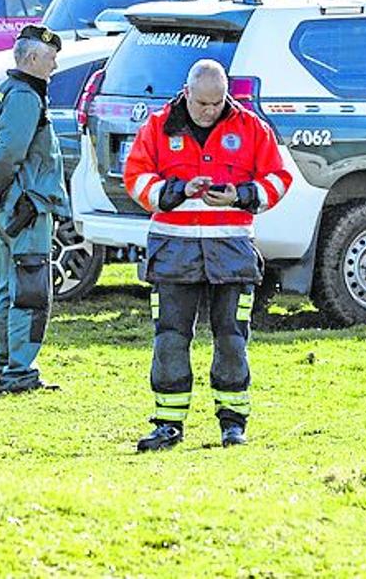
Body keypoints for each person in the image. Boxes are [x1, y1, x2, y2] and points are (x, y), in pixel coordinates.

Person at [122, 59, 291, 451]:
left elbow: (279, 178)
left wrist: (242, 194)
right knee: (170, 339)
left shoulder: (251, 127)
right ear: (187, 93)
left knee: (232, 339)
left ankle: (233, 424)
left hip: (231, 253)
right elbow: (135, 176)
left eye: (216, 104)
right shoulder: (158, 126)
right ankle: (168, 423)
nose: (208, 112)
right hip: (174, 252)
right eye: (201, 104)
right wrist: (175, 190)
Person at [0, 25, 69, 393]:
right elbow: (8, 153)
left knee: (9, 289)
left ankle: (5, 366)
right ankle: (20, 372)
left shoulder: (3, 93)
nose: (55, 66)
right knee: (29, 292)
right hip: (26, 207)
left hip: (7, 208)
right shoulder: (26, 96)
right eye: (51, 59)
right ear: (31, 59)